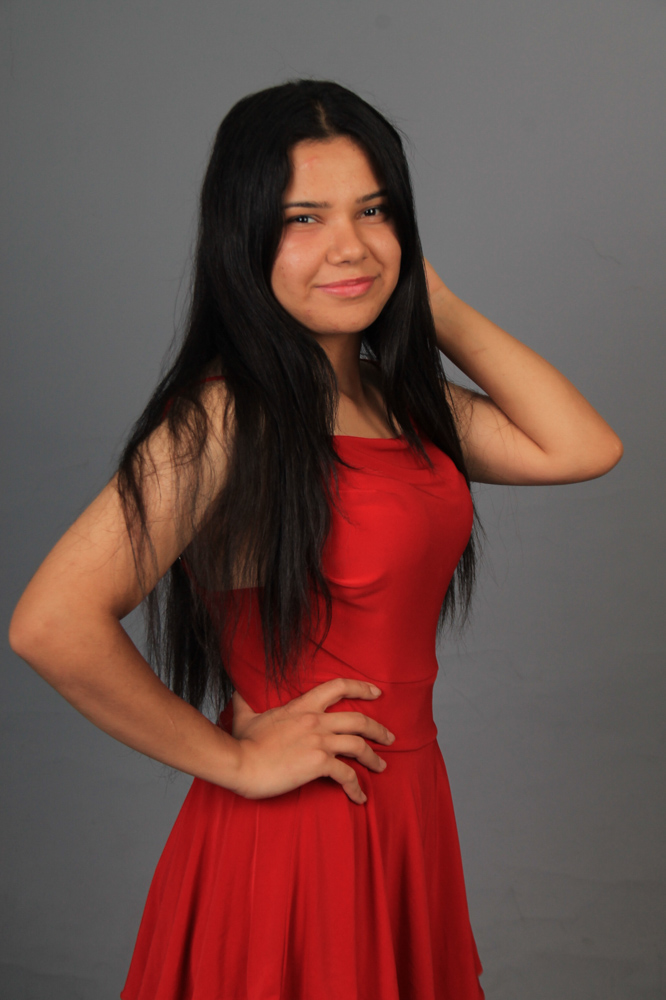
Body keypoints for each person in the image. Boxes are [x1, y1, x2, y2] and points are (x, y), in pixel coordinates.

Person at [9, 79, 623, 1000]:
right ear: (244, 237)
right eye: (304, 218)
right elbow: (50, 623)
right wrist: (235, 760)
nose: (349, 245)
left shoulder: (396, 399)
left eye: (374, 210)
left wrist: (431, 298)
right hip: (301, 829)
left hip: (407, 806)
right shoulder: (227, 417)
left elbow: (582, 447)